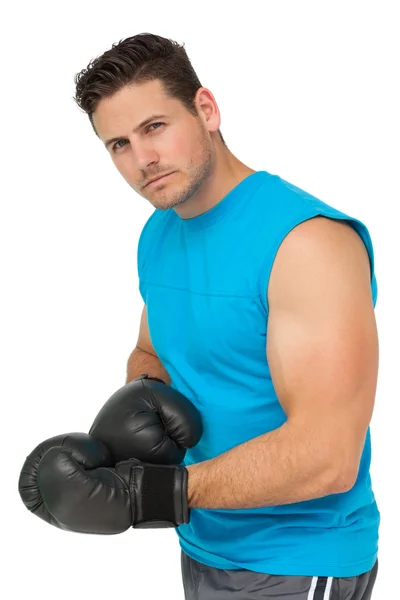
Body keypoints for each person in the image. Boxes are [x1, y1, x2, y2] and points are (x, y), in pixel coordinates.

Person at [72, 32, 380, 599]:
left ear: (206, 110)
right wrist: (142, 395)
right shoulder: (160, 232)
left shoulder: (305, 243)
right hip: (203, 543)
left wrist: (150, 494)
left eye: (154, 127)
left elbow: (329, 455)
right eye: (118, 143)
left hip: (299, 556)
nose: (142, 159)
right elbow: (154, 348)